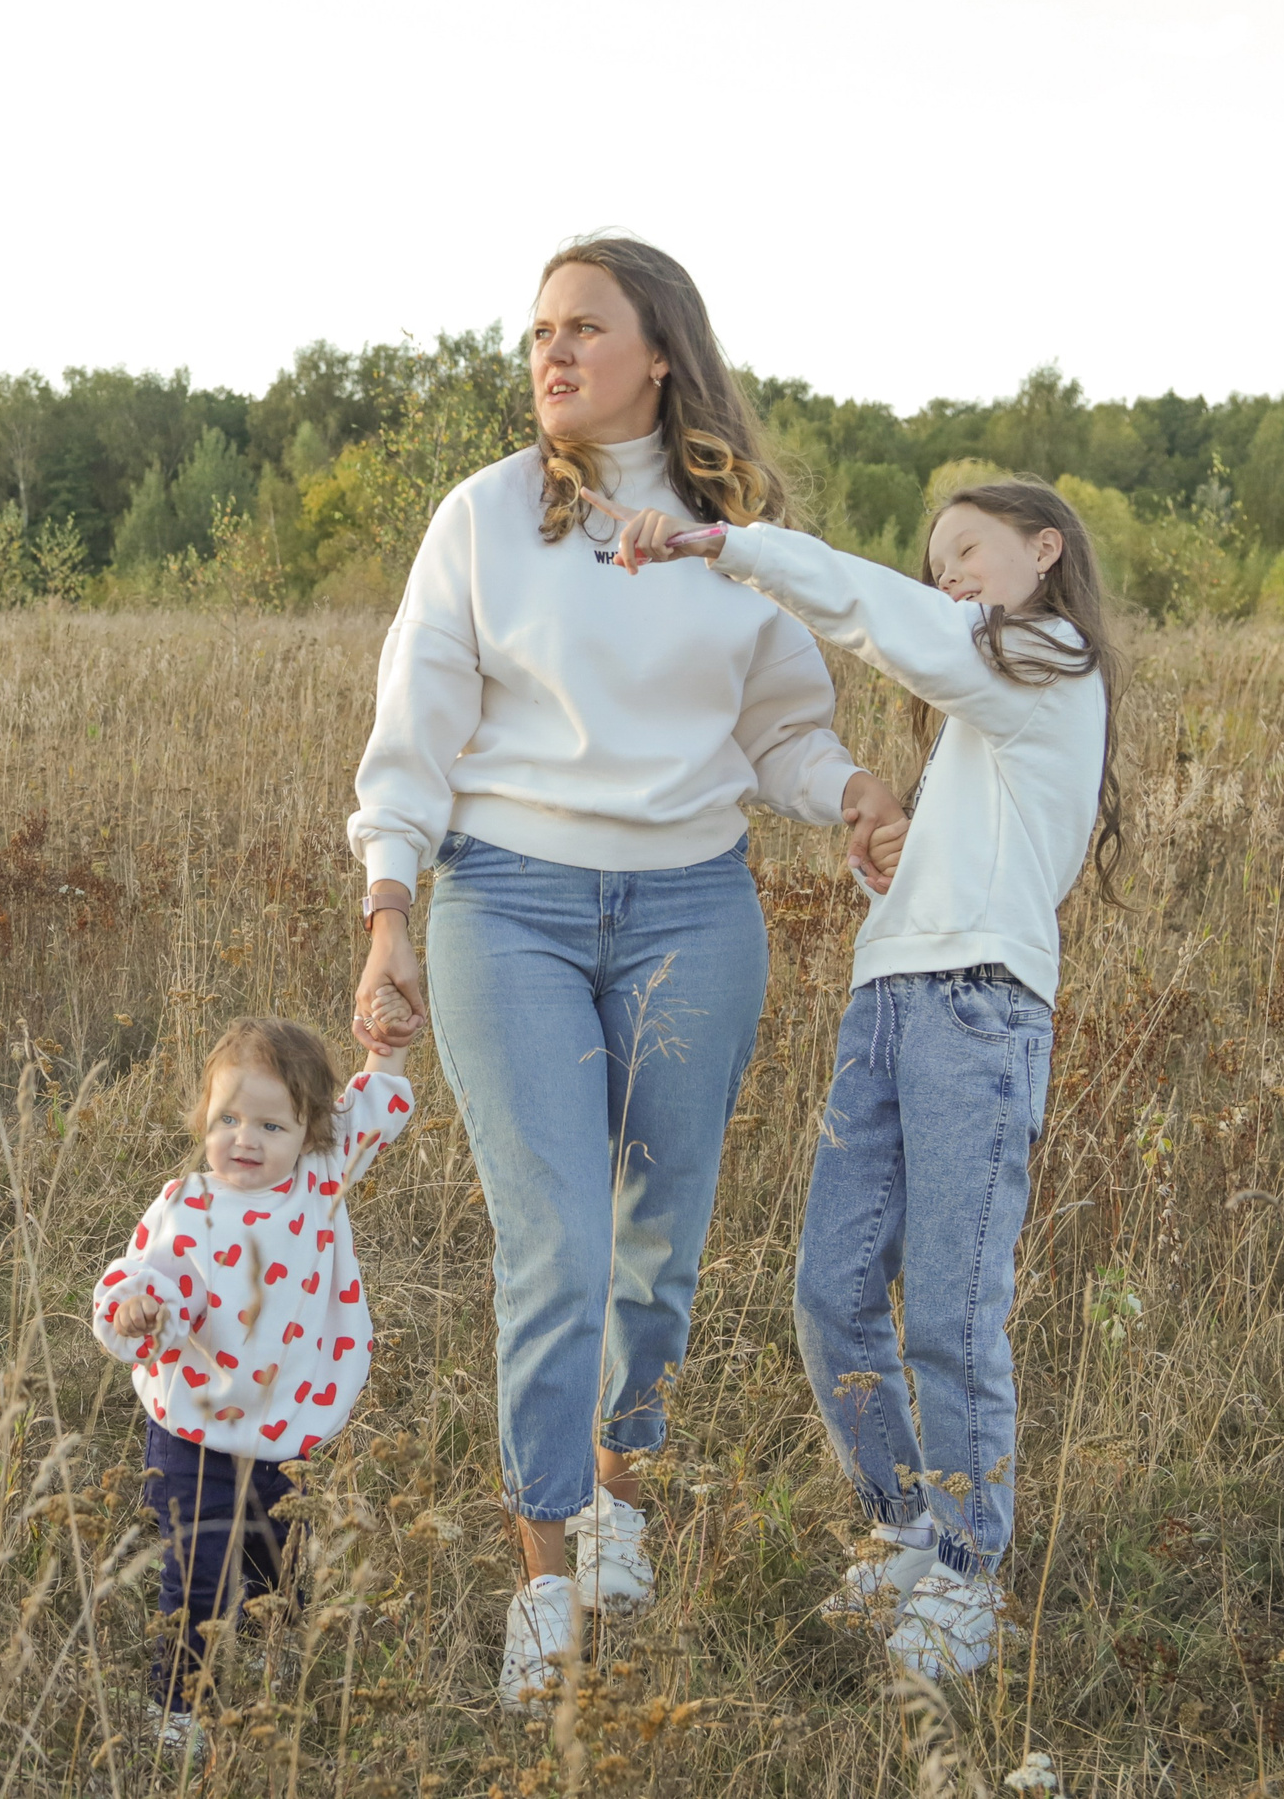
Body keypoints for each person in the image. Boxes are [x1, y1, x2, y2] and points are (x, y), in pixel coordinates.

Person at [346, 233, 909, 1709]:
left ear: (660, 352)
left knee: (661, 1243)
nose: (551, 352)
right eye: (538, 329)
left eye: (583, 326)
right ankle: (543, 1580)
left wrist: (848, 792)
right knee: (559, 1249)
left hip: (691, 910)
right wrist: (391, 909)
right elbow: (414, 732)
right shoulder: (481, 521)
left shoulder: (743, 531)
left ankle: (618, 1507)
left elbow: (786, 725)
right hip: (506, 905)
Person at [588, 479, 1122, 1679]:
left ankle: (972, 1570)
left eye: (968, 551)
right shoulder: (980, 714)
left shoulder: (1051, 655)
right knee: (829, 1291)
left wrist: (737, 547)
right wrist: (887, 862)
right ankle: (907, 1525)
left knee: (947, 1309)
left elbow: (895, 621)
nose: (949, 577)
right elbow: (955, 851)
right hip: (884, 1004)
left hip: (977, 1012)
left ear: (1044, 551)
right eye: (936, 561)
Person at [90, 1015, 414, 1750]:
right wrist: (145, 1308)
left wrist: (388, 1040)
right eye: (228, 1117)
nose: (245, 1138)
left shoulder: (321, 1182)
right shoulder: (188, 1202)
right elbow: (146, 1273)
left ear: (311, 1132)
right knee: (196, 1571)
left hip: (284, 1424)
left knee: (274, 1560)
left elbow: (374, 1101)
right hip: (192, 1426)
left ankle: (274, 1652)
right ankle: (178, 1704)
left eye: (271, 1124)